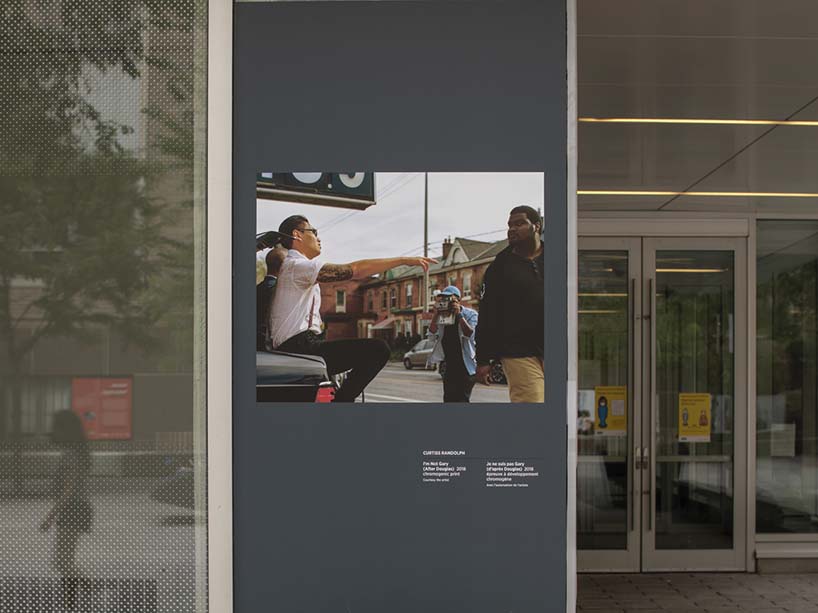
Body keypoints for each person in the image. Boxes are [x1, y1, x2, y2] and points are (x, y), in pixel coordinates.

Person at [269, 215, 436, 402]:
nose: (319, 238)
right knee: (378, 350)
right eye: (314, 232)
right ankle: (341, 404)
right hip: (300, 347)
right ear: (297, 235)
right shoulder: (297, 266)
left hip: (301, 345)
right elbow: (355, 270)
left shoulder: (294, 268)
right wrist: (404, 260)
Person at [475, 205, 544, 402]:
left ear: (536, 226)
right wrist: (483, 359)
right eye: (510, 225)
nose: (512, 229)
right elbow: (488, 315)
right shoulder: (499, 268)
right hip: (518, 351)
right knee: (533, 403)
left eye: (520, 223)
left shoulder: (556, 258)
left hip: (553, 346)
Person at [40, 410, 92, 611]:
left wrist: (49, 517)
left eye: (57, 426)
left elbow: (68, 491)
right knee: (65, 561)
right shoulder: (76, 452)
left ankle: (88, 584)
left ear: (65, 430)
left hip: (73, 509)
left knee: (61, 562)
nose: (53, 431)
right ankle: (69, 603)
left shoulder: (71, 455)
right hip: (76, 508)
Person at [427, 285, 479, 402]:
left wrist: (459, 314)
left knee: (462, 400)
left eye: (450, 299)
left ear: (458, 300)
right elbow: (431, 334)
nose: (447, 302)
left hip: (466, 366)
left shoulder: (471, 314)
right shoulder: (442, 316)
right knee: (448, 399)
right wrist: (436, 314)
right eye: (444, 299)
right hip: (449, 366)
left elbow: (470, 333)